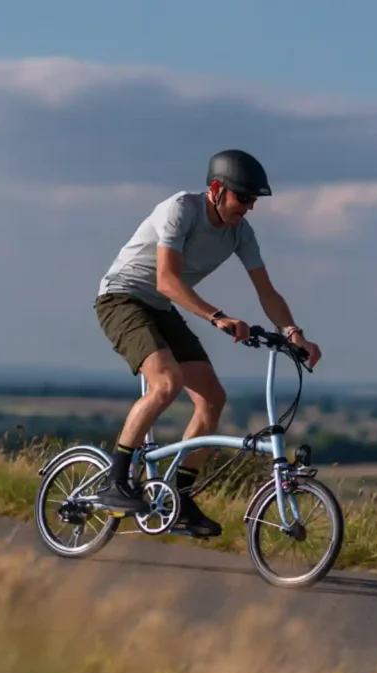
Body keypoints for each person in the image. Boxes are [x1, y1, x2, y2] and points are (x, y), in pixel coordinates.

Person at [91, 149, 322, 537]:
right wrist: (217, 317)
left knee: (213, 398)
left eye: (253, 200)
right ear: (216, 190)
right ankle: (116, 478)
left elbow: (267, 293)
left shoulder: (240, 233)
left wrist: (294, 334)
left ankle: (180, 498)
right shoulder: (181, 210)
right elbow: (166, 279)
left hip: (160, 306)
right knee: (166, 382)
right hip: (122, 297)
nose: (248, 207)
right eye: (243, 198)